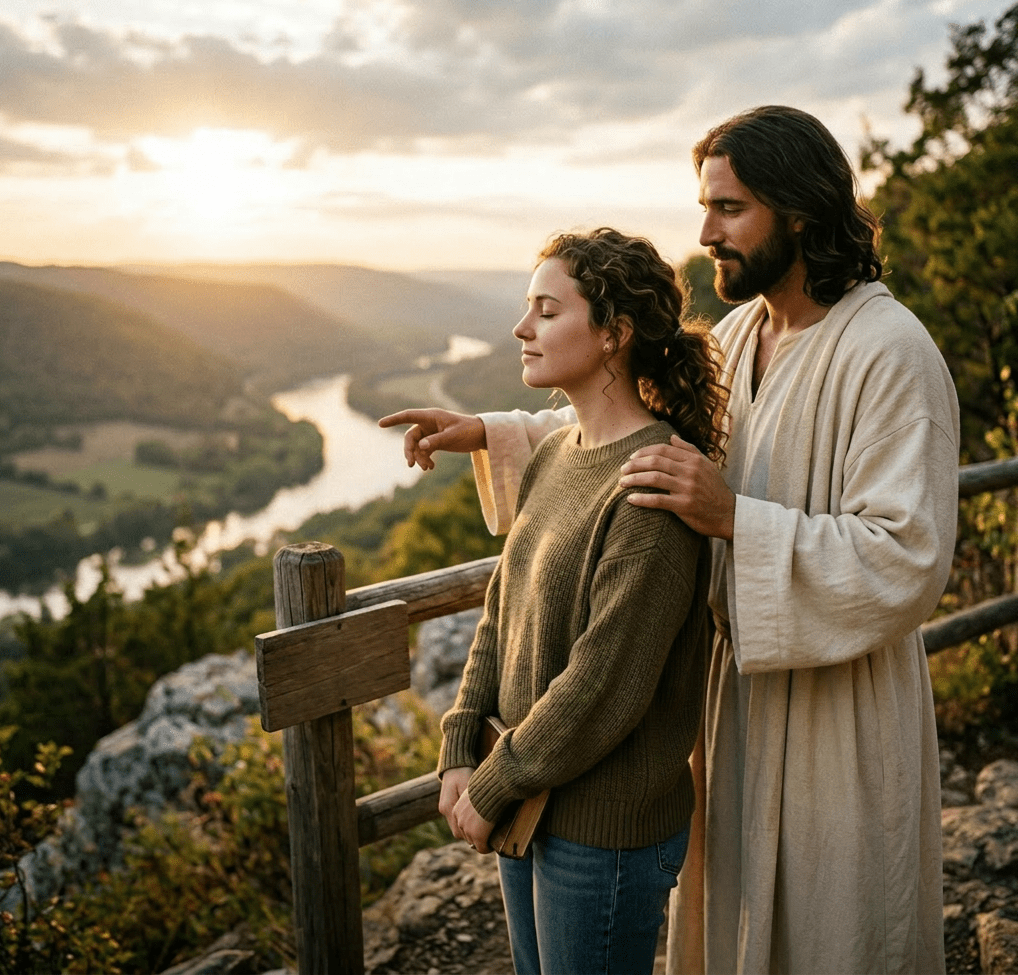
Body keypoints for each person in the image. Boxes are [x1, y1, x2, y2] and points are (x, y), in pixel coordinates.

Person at [381, 106, 960, 975]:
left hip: (842, 711)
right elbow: (622, 437)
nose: (706, 232)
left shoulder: (889, 352)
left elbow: (908, 558)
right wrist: (492, 431)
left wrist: (736, 520)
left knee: (836, 932)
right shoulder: (741, 336)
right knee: (732, 931)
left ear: (798, 211)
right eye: (706, 207)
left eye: (729, 209)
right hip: (733, 704)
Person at [387, 227, 727, 975]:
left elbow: (604, 684)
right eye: (525, 308)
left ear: (614, 334)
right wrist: (459, 744)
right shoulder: (553, 453)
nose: (521, 328)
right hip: (529, 798)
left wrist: (494, 780)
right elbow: (499, 613)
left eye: (546, 310)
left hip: (600, 830)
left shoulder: (652, 485)